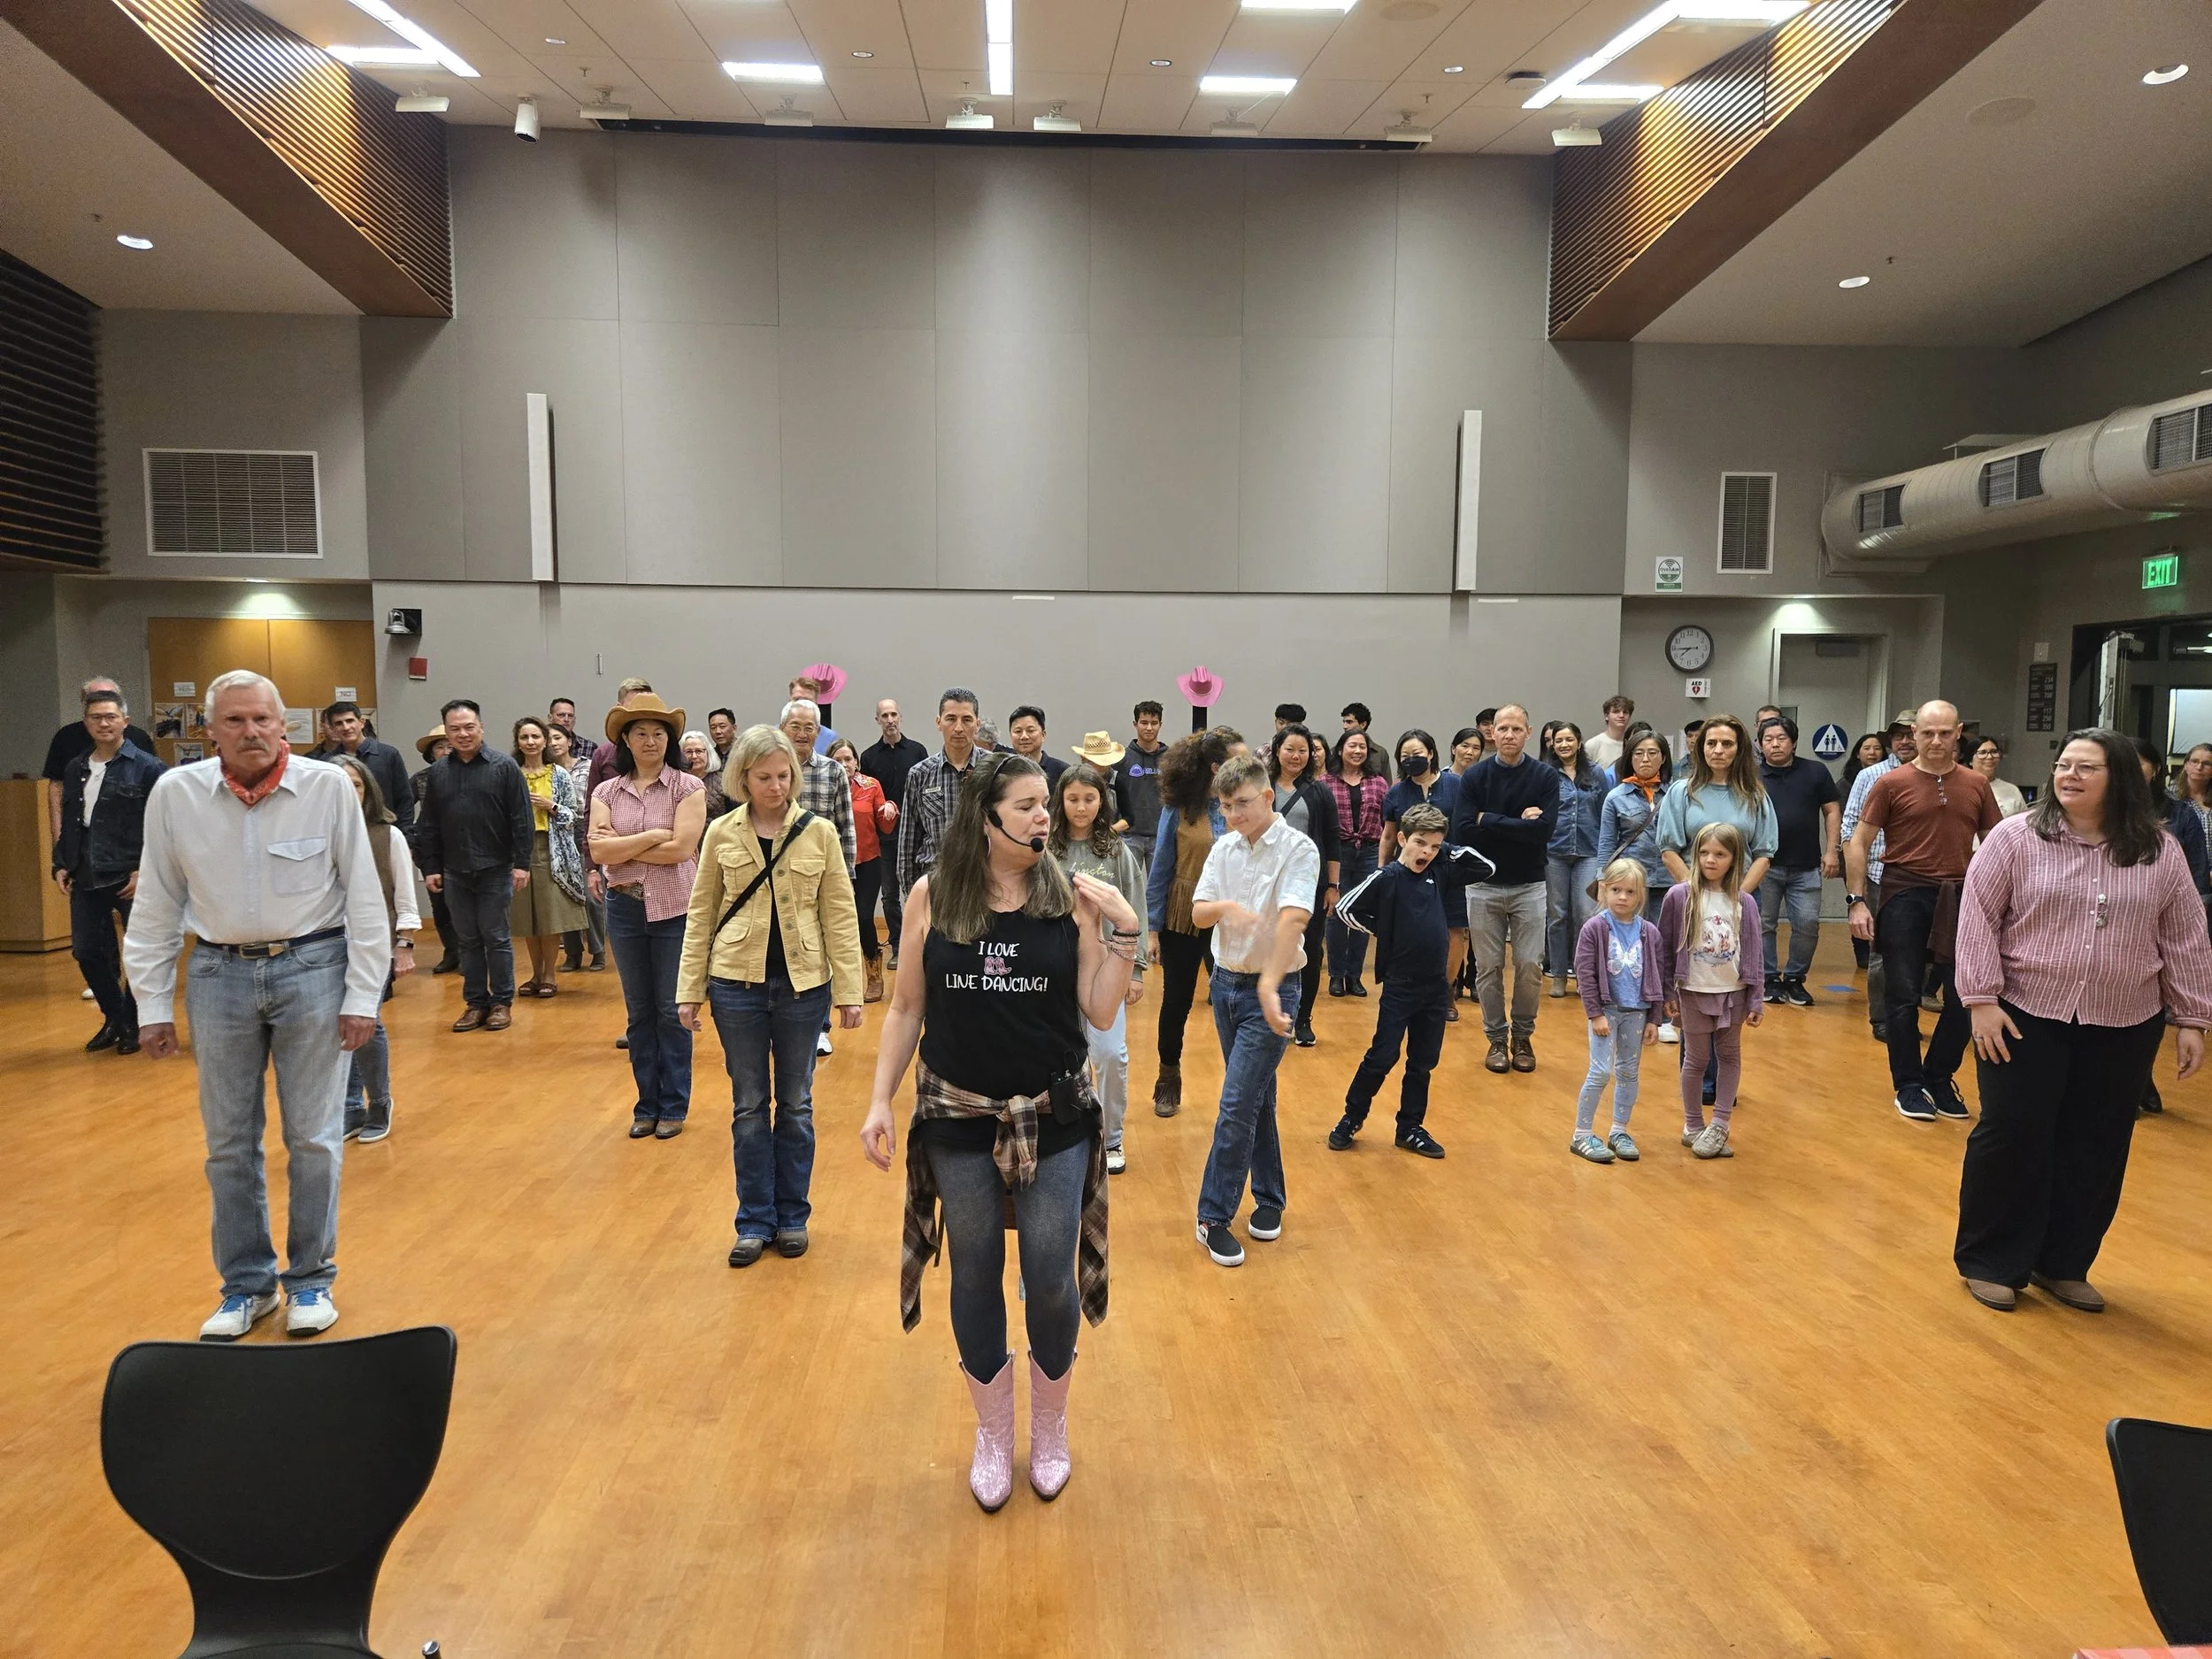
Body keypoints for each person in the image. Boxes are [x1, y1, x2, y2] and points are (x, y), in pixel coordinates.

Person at [858, 754, 1139, 1512]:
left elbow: (1101, 1010)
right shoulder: (931, 896)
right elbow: (907, 1008)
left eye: (1046, 804)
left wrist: (1127, 931)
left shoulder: (1069, 897)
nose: (1044, 816)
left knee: (1050, 1275)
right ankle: (992, 1433)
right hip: (957, 1113)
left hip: (1054, 1114)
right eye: (1026, 806)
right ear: (986, 815)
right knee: (974, 1269)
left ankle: (1049, 1426)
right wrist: (880, 1099)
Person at [123, 669, 387, 1340]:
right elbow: (155, 902)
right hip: (218, 972)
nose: (251, 732)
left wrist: (363, 994)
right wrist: (151, 1004)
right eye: (235, 721)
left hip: (315, 967)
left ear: (284, 725)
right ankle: (245, 1286)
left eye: (263, 719)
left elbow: (363, 895)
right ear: (211, 729)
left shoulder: (326, 787)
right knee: (229, 1145)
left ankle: (310, 1280)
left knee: (315, 1138)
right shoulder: (175, 793)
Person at [1952, 729, 2212, 1313]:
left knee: (2096, 1143)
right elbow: (1977, 916)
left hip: (2124, 1020)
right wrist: (1981, 999)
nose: (2068, 775)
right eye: (2064, 764)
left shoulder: (2158, 849)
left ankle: (2063, 1262)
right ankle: (1991, 1259)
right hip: (2022, 1013)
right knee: (2013, 1133)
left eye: (2086, 767)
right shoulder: (2015, 838)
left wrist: (2193, 1016)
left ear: (2119, 777)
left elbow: (2186, 934)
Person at [681, 724, 864, 1264]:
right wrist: (688, 990)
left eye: (784, 776)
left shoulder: (820, 833)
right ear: (742, 777)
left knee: (798, 1105)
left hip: (804, 988)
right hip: (735, 986)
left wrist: (849, 991)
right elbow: (701, 914)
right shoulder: (721, 833)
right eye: (764, 777)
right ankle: (753, 1220)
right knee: (748, 1106)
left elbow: (839, 914)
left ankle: (792, 1217)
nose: (776, 787)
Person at [1191, 754, 1318, 1268]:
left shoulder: (1297, 849)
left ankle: (1212, 1216)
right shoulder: (1223, 848)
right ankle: (1270, 1197)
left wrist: (1269, 985)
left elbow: (1294, 919)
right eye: (1224, 807)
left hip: (1276, 990)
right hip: (1225, 987)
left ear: (1268, 798)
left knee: (1237, 1102)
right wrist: (1224, 909)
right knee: (1256, 1096)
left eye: (1241, 804)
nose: (1232, 816)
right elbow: (1200, 913)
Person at [1846, 700, 2000, 1124]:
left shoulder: (1976, 785)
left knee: (1965, 993)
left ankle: (1938, 1076)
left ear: (1958, 733)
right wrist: (1857, 900)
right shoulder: (1891, 783)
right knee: (1903, 993)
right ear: (1914, 735)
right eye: (1927, 733)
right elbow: (1858, 841)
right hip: (1904, 892)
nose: (1935, 741)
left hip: (1960, 896)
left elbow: (1995, 843)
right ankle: (1908, 1084)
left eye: (1944, 733)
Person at [1330, 803, 1490, 1160]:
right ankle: (1351, 1117)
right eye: (1419, 843)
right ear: (1401, 839)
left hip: (1435, 987)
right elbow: (1345, 909)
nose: (1427, 853)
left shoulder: (1441, 870)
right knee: (1382, 1055)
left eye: (1434, 847)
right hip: (1400, 986)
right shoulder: (1387, 878)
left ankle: (1409, 1127)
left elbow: (1486, 867)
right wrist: (1384, 933)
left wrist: (1446, 849)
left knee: (1423, 1061)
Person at [590, 694, 707, 1137]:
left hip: (675, 909)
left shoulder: (687, 787)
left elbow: (682, 850)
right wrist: (656, 834)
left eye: (659, 733)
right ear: (625, 738)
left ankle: (674, 1106)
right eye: (640, 732)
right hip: (624, 908)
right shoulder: (606, 790)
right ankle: (646, 1106)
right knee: (638, 1013)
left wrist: (629, 841)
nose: (650, 740)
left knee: (670, 1010)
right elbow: (599, 849)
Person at [51, 687, 164, 1054]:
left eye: (111, 717)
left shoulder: (148, 767)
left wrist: (144, 869)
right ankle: (116, 1017)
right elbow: (71, 820)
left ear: (125, 723)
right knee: (86, 951)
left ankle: (130, 1021)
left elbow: (162, 825)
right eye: (96, 717)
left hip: (131, 873)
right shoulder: (75, 767)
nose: (104, 723)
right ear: (86, 724)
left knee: (140, 955)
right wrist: (61, 862)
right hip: (85, 872)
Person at [1049, 761, 1149, 1175]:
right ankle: (1069, 1134)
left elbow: (1135, 904)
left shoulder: (1116, 850)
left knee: (1109, 1054)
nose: (1081, 807)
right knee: (1060, 1056)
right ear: (1060, 801)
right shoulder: (1046, 848)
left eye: (1089, 799)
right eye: (1072, 799)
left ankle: (1111, 1139)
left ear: (1102, 801)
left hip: (1109, 966)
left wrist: (1138, 968)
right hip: (1055, 969)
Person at [1449, 705, 1556, 1075]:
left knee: (1529, 965)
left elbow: (1543, 832)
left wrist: (1488, 819)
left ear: (1528, 732)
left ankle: (1522, 1036)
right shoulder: (1475, 777)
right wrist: (1518, 823)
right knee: (1488, 967)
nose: (1508, 735)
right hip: (1482, 886)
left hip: (1530, 884)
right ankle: (1496, 1037)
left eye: (1516, 728)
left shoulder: (1544, 776)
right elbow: (1463, 830)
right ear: (1491, 734)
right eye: (1502, 729)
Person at [415, 699, 534, 1033]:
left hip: (496, 868)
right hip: (455, 871)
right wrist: (431, 867)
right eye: (455, 729)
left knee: (496, 937)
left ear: (481, 728)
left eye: (469, 727)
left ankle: (501, 1003)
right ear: (446, 733)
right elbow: (429, 825)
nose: (463, 734)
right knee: (467, 940)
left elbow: (521, 818)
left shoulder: (504, 767)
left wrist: (521, 864)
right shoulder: (437, 773)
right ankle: (475, 1004)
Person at [1658, 823, 1763, 1161]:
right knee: (1697, 1059)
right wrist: (1665, 992)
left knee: (1730, 1055)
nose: (1711, 860)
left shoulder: (1744, 902)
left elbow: (1754, 952)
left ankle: (1719, 1123)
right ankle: (1692, 1125)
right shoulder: (1679, 896)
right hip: (1693, 991)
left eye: (1720, 854)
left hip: (1734, 992)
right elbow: (1664, 946)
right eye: (1704, 853)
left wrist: (1756, 996)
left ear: (1734, 859)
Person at [330, 754, 417, 1143]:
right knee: (337, 1026)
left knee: (367, 1021)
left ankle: (379, 1101)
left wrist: (404, 944)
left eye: (356, 784)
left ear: (368, 790)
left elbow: (405, 895)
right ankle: (350, 1107)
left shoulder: (387, 835)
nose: (349, 791)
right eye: (339, 784)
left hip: (373, 944)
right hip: (323, 946)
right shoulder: (316, 834)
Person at [1144, 729, 1232, 1114]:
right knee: (1177, 999)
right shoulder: (1177, 810)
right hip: (1181, 914)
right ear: (1215, 768)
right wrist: (1151, 928)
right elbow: (1160, 869)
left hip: (1226, 916)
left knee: (1232, 999)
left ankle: (1239, 1082)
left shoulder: (1238, 807)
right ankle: (1168, 1076)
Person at [1568, 857, 1663, 1164]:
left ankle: (1619, 1130)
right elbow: (1585, 973)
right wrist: (1594, 1013)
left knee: (1628, 1072)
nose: (1623, 897)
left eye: (1630, 892)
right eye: (1616, 890)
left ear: (1641, 896)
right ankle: (1582, 1134)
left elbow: (1657, 974)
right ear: (1604, 891)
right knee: (1600, 1071)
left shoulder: (1649, 932)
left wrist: (1655, 1018)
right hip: (1606, 1012)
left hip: (1636, 1012)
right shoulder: (1594, 928)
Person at [782, 699, 857, 1056]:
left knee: (823, 953)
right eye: (795, 726)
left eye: (809, 727)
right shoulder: (771, 769)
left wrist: (846, 877)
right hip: (778, 878)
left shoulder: (832, 771)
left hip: (821, 878)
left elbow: (846, 828)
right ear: (783, 728)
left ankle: (820, 1027)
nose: (801, 733)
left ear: (819, 731)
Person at [1755, 716, 1841, 1008]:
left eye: (1781, 738)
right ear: (1759, 744)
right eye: (1768, 739)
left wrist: (1832, 851)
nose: (1775, 744)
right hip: (1763, 865)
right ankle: (1768, 978)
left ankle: (1794, 978)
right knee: (1763, 924)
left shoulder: (1815, 771)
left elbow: (1831, 811)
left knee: (1807, 924)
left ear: (1793, 742)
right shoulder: (1752, 775)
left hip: (1806, 865)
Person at [1380, 729, 1464, 1020]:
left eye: (1417, 754)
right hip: (1407, 874)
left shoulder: (1455, 784)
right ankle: (1413, 989)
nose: (1411, 760)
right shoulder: (1396, 791)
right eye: (1405, 757)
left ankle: (1446, 991)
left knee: (1454, 930)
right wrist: (1381, 871)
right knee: (1412, 931)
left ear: (1431, 753)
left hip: (1448, 871)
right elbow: (1389, 835)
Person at [1842, 712, 1920, 1025]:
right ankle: (1882, 1019)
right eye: (1898, 735)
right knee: (1882, 951)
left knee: (1918, 953)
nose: (1904, 741)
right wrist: (1854, 892)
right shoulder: (1870, 776)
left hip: (1921, 877)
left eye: (1910, 734)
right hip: (1879, 875)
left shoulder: (1935, 777)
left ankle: (1906, 1017)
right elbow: (1850, 829)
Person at [1266, 725, 1340, 1048]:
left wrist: (1332, 885)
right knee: (1268, 948)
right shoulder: (1262, 787)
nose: (1296, 756)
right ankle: (1269, 1013)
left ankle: (1303, 1018)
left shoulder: (1319, 792)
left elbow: (1333, 841)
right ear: (1276, 750)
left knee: (1309, 950)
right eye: (1289, 749)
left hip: (1308, 883)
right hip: (1266, 883)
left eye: (1303, 750)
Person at [509, 716, 588, 998]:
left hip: (551, 849)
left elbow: (573, 814)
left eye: (536, 737)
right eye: (524, 737)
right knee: (527, 918)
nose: (530, 742)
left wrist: (550, 805)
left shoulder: (559, 775)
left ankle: (550, 975)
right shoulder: (511, 773)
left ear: (545, 740)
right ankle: (534, 973)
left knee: (548, 916)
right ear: (518, 742)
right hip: (519, 851)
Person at [895, 688, 984, 901]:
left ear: (977, 724)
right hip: (936, 883)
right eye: (951, 719)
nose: (959, 728)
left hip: (983, 882)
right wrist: (911, 895)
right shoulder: (920, 774)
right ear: (938, 723)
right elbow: (908, 839)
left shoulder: (995, 770)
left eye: (967, 719)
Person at [43, 676, 156, 843]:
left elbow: (154, 797)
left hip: (128, 841)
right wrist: (59, 840)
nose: (103, 722)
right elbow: (56, 788)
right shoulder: (67, 740)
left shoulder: (140, 741)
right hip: (80, 839)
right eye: (95, 700)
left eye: (109, 698)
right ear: (85, 708)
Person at [829, 735, 896, 1002]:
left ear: (856, 762)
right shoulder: (825, 785)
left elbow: (885, 825)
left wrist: (889, 809)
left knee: (863, 917)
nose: (844, 764)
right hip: (835, 864)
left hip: (868, 861)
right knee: (836, 922)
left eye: (848, 759)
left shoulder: (871, 785)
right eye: (838, 760)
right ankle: (840, 982)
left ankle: (874, 977)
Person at [1322, 728, 1388, 999]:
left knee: (1362, 914)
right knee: (1337, 913)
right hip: (1339, 852)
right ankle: (1336, 975)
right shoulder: (1326, 782)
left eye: (1363, 747)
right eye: (1352, 746)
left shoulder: (1378, 782)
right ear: (1340, 750)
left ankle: (1355, 975)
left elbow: (1388, 820)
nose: (1358, 751)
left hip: (1370, 852)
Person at [1543, 722, 1608, 1000]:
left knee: (1585, 914)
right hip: (1554, 852)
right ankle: (1558, 975)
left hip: (1588, 851)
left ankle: (1584, 976)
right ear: (1552, 745)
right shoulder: (1545, 774)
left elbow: (1606, 812)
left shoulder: (1596, 773)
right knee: (1557, 915)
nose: (1564, 745)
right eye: (1559, 741)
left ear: (1579, 742)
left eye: (1569, 739)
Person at [860, 698, 928, 957]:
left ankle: (919, 942)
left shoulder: (917, 751)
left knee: (917, 889)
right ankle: (898, 945)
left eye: (893, 715)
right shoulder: (868, 757)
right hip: (886, 838)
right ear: (877, 720)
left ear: (900, 717)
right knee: (889, 894)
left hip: (916, 836)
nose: (890, 720)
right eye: (884, 716)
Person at [1595, 729, 1675, 926]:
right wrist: (1602, 880)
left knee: (1664, 939)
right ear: (1629, 758)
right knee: (1630, 936)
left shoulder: (1676, 793)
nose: (1645, 759)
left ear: (1663, 757)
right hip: (1630, 880)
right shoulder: (1615, 797)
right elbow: (1607, 843)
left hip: (1668, 878)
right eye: (1638, 753)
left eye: (1652, 753)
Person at [545, 725, 606, 974]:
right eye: (548, 739)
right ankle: (572, 954)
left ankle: (599, 951)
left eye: (558, 737)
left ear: (570, 741)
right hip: (557, 832)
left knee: (591, 897)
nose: (553, 743)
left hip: (584, 827)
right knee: (566, 896)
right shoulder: (546, 771)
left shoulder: (588, 765)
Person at [309, 701, 412, 830]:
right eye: (339, 723)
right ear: (333, 729)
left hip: (383, 832)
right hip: (343, 832)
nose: (346, 727)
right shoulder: (327, 762)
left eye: (350, 721)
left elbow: (404, 799)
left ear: (361, 722)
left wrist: (406, 837)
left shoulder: (388, 755)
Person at [410, 728, 460, 973]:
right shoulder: (421, 778)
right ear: (431, 753)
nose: (446, 751)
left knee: (464, 906)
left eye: (450, 746)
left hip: (462, 849)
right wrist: (410, 841)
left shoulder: (468, 775)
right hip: (430, 851)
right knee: (440, 907)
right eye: (440, 747)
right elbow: (402, 809)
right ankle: (451, 952)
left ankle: (471, 955)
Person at [1108, 702, 1168, 874]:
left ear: (1160, 725)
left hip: (1160, 836)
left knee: (1157, 890)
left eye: (1154, 723)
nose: (1149, 728)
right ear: (1135, 724)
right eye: (1144, 722)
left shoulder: (1170, 759)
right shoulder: (1122, 758)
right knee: (1126, 886)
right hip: (1128, 835)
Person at [1006, 705, 1069, 791]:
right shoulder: (1004, 771)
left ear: (1043, 735)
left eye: (1030, 731)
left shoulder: (1063, 772)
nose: (1024, 736)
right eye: (1018, 731)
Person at [1969, 735, 2030, 818]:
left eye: (1994, 752)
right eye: (1983, 752)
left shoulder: (2012, 790)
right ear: (1970, 760)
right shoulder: (1962, 788)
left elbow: (2023, 822)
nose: (1990, 757)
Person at [681, 728, 733, 820]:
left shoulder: (724, 781)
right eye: (688, 752)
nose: (694, 756)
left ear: (708, 753)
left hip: (715, 833)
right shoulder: (674, 780)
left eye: (699, 751)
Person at [789, 674, 840, 754]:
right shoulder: (775, 733)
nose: (802, 705)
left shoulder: (830, 738)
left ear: (816, 704)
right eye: (797, 699)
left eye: (807, 701)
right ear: (790, 701)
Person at [1586, 695, 1635, 774]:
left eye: (1625, 712)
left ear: (1629, 717)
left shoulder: (1633, 744)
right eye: (1616, 712)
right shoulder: (1593, 744)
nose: (1621, 715)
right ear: (1606, 716)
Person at [549, 697, 598, 772]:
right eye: (561, 715)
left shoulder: (589, 747)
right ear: (550, 718)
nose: (566, 719)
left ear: (574, 719)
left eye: (570, 716)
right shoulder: (541, 744)